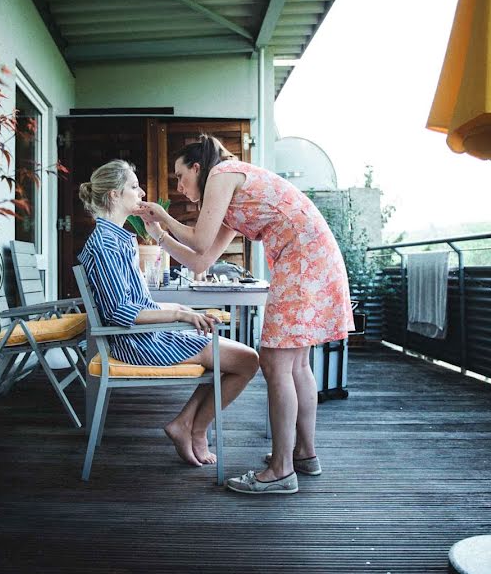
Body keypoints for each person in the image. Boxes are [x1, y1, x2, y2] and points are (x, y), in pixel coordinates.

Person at [137, 135, 353, 495]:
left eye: (179, 176)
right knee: (297, 364)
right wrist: (159, 235)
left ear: (197, 167)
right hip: (313, 258)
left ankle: (281, 471)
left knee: (276, 364)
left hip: (302, 261)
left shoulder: (222, 173)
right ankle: (303, 455)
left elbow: (200, 241)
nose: (178, 186)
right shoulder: (229, 193)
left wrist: (163, 216)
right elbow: (200, 260)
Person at [78, 159, 259, 467]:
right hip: (136, 343)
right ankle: (195, 428)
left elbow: (140, 303)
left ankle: (186, 424)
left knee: (235, 357)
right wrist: (181, 316)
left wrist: (182, 308)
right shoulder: (106, 245)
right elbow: (122, 313)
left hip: (145, 336)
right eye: (134, 187)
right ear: (113, 196)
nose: (141, 191)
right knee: (248, 361)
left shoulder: (118, 240)